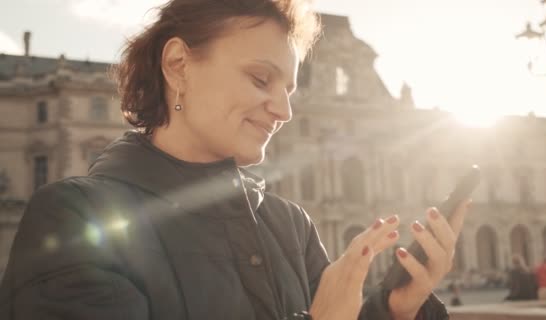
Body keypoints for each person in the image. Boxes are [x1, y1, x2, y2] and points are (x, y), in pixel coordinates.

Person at [0, 0, 471, 319]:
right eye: (260, 78)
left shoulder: (292, 226)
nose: (285, 111)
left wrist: (396, 308)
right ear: (178, 66)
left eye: (289, 90)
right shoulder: (69, 219)